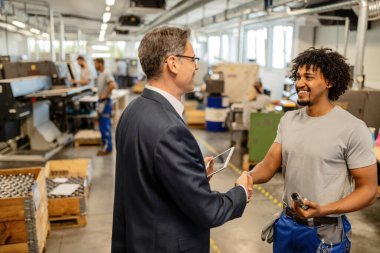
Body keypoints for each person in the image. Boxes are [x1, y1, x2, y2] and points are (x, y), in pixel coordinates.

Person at [111, 26, 253, 253]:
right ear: (173, 63)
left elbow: (147, 179)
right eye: (192, 59)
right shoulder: (169, 129)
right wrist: (240, 192)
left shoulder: (132, 111)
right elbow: (209, 211)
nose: (196, 66)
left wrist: (193, 173)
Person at [249, 47, 378, 253]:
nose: (300, 83)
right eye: (298, 76)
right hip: (287, 226)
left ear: (329, 82)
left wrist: (324, 209)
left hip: (324, 233)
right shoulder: (289, 120)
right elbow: (268, 165)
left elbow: (369, 191)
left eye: (308, 77)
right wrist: (247, 178)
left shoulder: (352, 128)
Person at [94, 58, 117, 156]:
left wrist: (105, 95)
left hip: (105, 102)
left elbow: (113, 85)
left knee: (105, 126)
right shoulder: (101, 74)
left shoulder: (107, 73)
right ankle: (105, 146)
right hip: (101, 102)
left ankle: (108, 148)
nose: (94, 65)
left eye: (95, 63)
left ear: (100, 63)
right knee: (102, 125)